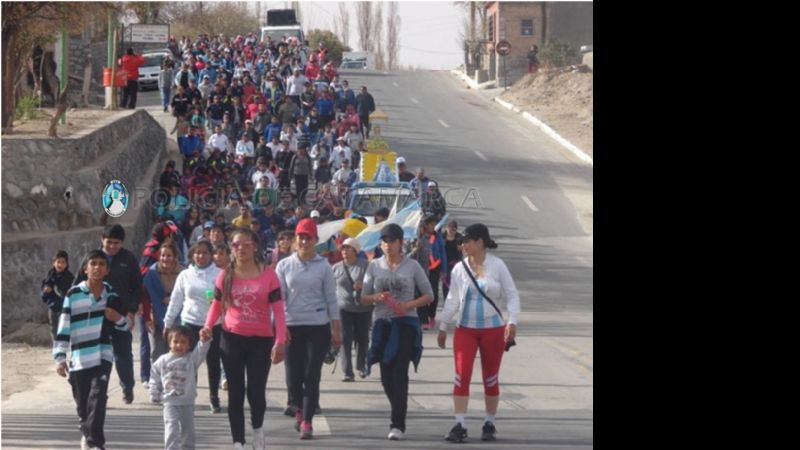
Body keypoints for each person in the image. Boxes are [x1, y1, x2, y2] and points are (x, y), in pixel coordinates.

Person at [201, 228, 286, 450]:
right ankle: (238, 441)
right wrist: (208, 326)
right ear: (231, 248)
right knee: (235, 392)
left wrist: (280, 341)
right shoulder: (225, 275)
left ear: (255, 247)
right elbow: (217, 305)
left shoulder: (269, 275)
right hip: (231, 339)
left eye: (246, 244)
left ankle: (257, 429)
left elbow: (278, 311)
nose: (241, 249)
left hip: (261, 340)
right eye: (236, 245)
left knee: (256, 392)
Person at [436, 223, 520, 443]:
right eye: (462, 241)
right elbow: (453, 298)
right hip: (466, 330)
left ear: (480, 242)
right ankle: (460, 424)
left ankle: (489, 422)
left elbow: (512, 295)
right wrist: (444, 326)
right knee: (461, 375)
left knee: (490, 378)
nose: (463, 244)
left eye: (467, 241)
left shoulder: (497, 265)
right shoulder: (459, 268)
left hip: (493, 330)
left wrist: (512, 321)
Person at [360, 223, 434, 441]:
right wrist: (376, 298)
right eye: (384, 241)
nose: (388, 245)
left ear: (401, 243)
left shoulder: (412, 267)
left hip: (405, 325)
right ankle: (399, 406)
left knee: (399, 372)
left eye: (392, 241)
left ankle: (397, 423)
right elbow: (364, 297)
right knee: (386, 376)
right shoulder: (374, 266)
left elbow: (428, 295)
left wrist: (408, 305)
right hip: (382, 325)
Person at [54, 249, 129, 450]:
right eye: (93, 263)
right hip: (79, 358)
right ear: (85, 269)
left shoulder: (112, 296)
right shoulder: (73, 294)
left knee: (98, 395)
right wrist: (60, 357)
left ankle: (96, 443)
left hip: (102, 353)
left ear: (107, 270)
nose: (97, 267)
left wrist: (117, 318)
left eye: (101, 264)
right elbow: (64, 326)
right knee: (83, 404)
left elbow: (125, 326)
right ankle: (86, 430)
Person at [275, 218, 341, 439]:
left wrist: (336, 329)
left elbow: (332, 299)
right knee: (293, 378)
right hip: (292, 326)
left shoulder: (324, 266)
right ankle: (299, 408)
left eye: (308, 238)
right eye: (301, 237)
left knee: (312, 375)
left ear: (315, 240)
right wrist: (280, 327)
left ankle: (307, 421)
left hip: (317, 326)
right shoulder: (284, 265)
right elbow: (278, 299)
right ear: (295, 239)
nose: (304, 242)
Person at [73, 224, 141, 404]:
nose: (112, 246)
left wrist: (132, 311)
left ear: (122, 243)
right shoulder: (92, 259)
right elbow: (77, 286)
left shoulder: (129, 259)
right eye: (109, 242)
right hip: (94, 318)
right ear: (101, 239)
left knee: (123, 355)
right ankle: (99, 392)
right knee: (96, 356)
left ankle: (127, 386)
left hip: (119, 316)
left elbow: (137, 288)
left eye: (116, 243)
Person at [163, 240, 226, 410]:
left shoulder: (220, 274)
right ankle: (189, 396)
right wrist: (167, 323)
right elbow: (176, 301)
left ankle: (214, 397)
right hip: (189, 322)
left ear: (211, 255)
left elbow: (228, 300)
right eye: (197, 253)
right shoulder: (185, 275)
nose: (201, 256)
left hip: (213, 324)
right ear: (191, 255)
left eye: (205, 253)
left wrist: (219, 304)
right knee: (189, 363)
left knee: (213, 361)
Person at [149, 325, 212, 450]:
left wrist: (204, 341)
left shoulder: (191, 359)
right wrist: (154, 391)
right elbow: (154, 376)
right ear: (169, 342)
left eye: (183, 342)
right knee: (171, 427)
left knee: (188, 430)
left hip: (187, 402)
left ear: (189, 345)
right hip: (169, 402)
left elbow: (201, 351)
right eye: (175, 341)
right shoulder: (163, 360)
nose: (179, 345)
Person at [142, 242, 185, 373]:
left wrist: (172, 299)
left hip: (178, 317)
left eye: (169, 255)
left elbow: (189, 294)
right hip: (155, 317)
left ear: (175, 257)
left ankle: (175, 378)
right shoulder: (151, 274)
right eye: (162, 255)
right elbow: (146, 297)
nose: (165, 258)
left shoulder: (184, 273)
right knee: (157, 351)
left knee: (177, 350)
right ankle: (157, 380)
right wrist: (147, 318)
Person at [332, 238, 371, 382]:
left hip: (363, 308)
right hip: (343, 308)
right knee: (345, 339)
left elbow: (374, 284)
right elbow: (330, 289)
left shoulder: (365, 265)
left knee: (362, 339)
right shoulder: (335, 268)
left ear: (355, 250)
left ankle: (361, 366)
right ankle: (347, 372)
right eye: (343, 248)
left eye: (348, 248)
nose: (345, 251)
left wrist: (364, 286)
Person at [41, 250, 75, 344]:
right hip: (53, 308)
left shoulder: (69, 278)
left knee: (65, 330)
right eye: (58, 262)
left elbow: (71, 293)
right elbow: (44, 292)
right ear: (54, 263)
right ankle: (57, 350)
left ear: (67, 264)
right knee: (54, 329)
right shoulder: (50, 276)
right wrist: (45, 291)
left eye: (63, 262)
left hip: (65, 309)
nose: (60, 264)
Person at [442, 220, 464, 301]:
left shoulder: (459, 237)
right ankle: (446, 299)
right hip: (444, 263)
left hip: (455, 262)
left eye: (453, 229)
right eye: (449, 228)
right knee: (445, 281)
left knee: (455, 281)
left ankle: (455, 298)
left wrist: (462, 247)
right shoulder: (442, 236)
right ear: (446, 228)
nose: (451, 231)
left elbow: (466, 244)